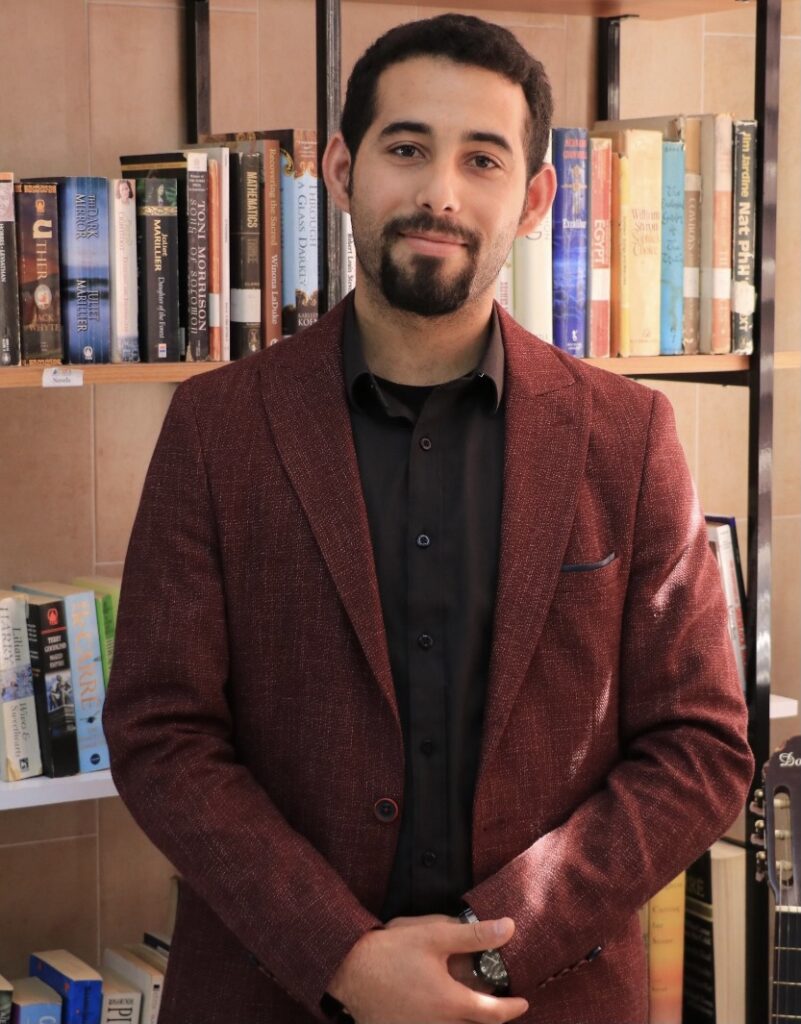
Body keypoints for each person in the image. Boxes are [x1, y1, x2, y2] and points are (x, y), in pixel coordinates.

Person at [103, 14, 753, 1024]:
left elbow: (701, 747)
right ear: (340, 167)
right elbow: (160, 732)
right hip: (273, 994)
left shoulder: (630, 437)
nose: (440, 193)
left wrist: (495, 953)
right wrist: (343, 956)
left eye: (482, 159)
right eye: (406, 149)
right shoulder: (215, 427)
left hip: (549, 999)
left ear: (535, 199)